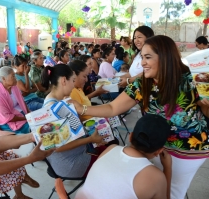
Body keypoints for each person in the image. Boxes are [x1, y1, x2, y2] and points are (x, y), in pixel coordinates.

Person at [69, 35, 209, 199]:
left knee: (172, 192)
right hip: (155, 148)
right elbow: (113, 107)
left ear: (165, 57)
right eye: (142, 57)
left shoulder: (193, 81)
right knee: (157, 187)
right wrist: (82, 108)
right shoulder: (143, 83)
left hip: (187, 150)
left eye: (148, 57)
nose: (142, 63)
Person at [75, 114, 172, 199]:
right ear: (158, 151)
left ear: (130, 136)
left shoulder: (111, 148)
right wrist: (168, 168)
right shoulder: (156, 177)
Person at [41, 64, 108, 178]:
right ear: (63, 80)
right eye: (72, 80)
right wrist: (90, 139)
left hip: (77, 151)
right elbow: (58, 148)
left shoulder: (61, 100)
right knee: (109, 164)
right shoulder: (52, 108)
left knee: (108, 149)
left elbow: (73, 128)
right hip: (70, 163)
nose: (74, 85)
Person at [0, 66, 31, 134]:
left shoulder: (13, 86)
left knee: (36, 120)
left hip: (18, 113)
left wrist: (28, 112)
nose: (16, 78)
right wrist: (26, 118)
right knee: (32, 126)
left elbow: (22, 101)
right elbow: (7, 117)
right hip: (7, 121)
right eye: (13, 76)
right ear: (3, 78)